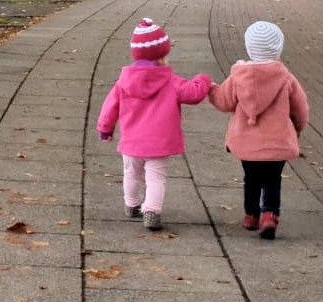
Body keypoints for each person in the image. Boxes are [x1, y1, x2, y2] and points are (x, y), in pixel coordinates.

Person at [97, 19, 212, 231]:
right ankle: (151, 210)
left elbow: (110, 106)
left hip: (132, 141)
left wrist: (105, 128)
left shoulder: (124, 81)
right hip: (159, 143)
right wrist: (203, 79)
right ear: (162, 54)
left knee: (131, 173)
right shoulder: (170, 80)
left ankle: (131, 205)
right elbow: (194, 94)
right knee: (156, 177)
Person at [209, 20, 309, 240]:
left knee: (251, 178)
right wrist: (297, 130)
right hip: (277, 142)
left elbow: (223, 102)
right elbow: (300, 109)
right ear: (278, 48)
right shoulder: (286, 78)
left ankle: (251, 215)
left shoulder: (238, 76)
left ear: (248, 47)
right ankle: (270, 216)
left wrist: (211, 88)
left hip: (247, 143)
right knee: (273, 179)